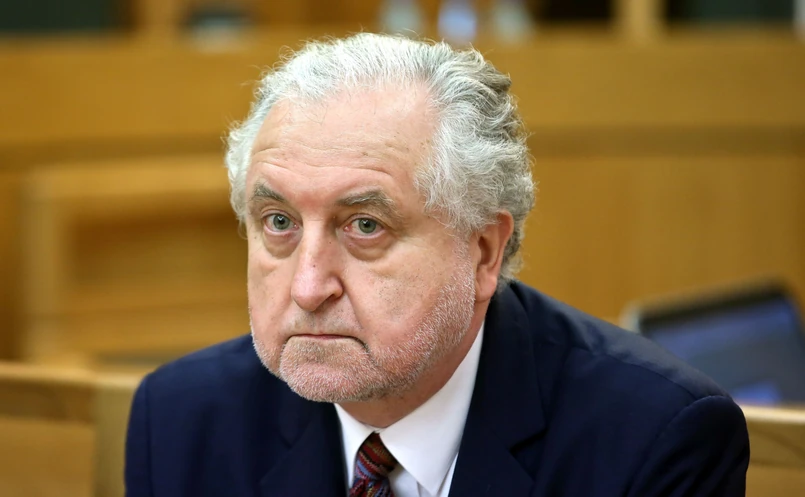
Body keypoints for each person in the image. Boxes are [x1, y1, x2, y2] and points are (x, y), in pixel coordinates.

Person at [125, 33, 749, 497]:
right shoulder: (182, 421)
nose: (308, 288)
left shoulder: (654, 439)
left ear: (483, 252)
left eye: (365, 226)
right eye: (279, 223)